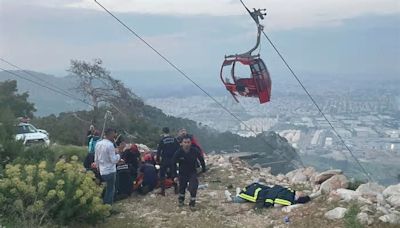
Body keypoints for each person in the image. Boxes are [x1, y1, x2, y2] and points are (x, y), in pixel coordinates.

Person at [172, 135, 206, 208]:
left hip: (192, 172)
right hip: (182, 173)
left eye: (188, 142)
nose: (186, 144)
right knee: (182, 188)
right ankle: (181, 201)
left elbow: (201, 160)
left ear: (191, 143)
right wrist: (174, 175)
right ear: (182, 143)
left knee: (193, 187)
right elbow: (173, 164)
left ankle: (192, 203)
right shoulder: (178, 152)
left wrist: (203, 170)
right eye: (185, 142)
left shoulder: (195, 151)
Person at [94, 128, 122, 205]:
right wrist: (119, 154)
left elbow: (96, 158)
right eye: (113, 135)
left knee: (104, 188)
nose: (114, 136)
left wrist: (98, 167)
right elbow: (113, 160)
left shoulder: (98, 143)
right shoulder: (110, 145)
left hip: (101, 170)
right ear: (110, 134)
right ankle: (108, 206)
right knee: (110, 190)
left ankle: (102, 204)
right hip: (110, 170)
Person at [233, 182, 311, 209]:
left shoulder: (289, 198)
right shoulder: (291, 192)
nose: (301, 192)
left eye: (302, 194)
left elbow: (277, 204)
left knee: (249, 195)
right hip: (268, 190)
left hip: (264, 195)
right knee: (256, 187)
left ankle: (235, 197)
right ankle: (239, 193)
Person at [157, 127, 180, 196]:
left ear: (163, 132)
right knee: (174, 173)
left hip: (165, 159)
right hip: (173, 159)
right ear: (169, 131)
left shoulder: (162, 140)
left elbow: (158, 151)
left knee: (162, 175)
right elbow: (178, 149)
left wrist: (158, 160)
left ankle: (163, 191)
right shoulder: (174, 139)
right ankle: (176, 189)